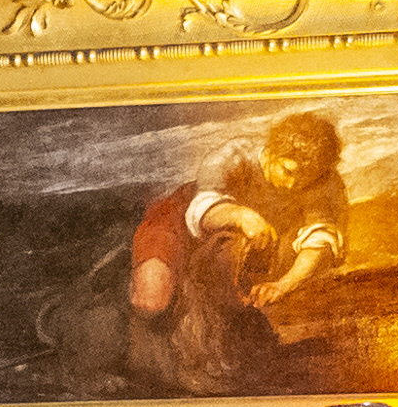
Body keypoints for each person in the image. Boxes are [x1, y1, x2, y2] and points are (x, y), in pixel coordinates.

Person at [131, 112, 347, 338]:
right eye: (288, 171)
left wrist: (283, 285)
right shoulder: (234, 156)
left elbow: (319, 239)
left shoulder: (324, 181)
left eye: (306, 178)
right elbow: (201, 210)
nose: (294, 184)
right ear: (273, 152)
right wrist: (242, 215)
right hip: (182, 219)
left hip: (233, 243)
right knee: (152, 302)